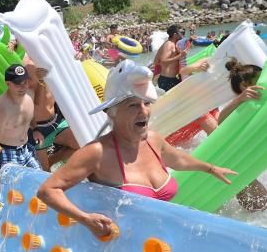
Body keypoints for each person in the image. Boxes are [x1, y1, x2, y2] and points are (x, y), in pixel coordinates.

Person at [38, 60, 237, 238]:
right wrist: (85, 219)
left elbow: (178, 159)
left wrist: (210, 168)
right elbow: (48, 190)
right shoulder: (97, 152)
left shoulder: (153, 139)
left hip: (158, 242)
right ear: (112, 113)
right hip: (117, 244)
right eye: (133, 105)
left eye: (146, 103)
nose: (143, 111)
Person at [0, 64, 42, 174]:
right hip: (8, 152)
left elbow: (30, 117)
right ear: (8, 84)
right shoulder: (2, 108)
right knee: (14, 190)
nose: (23, 87)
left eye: (25, 82)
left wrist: (36, 129)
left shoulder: (29, 96)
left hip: (26, 149)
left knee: (41, 182)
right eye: (18, 84)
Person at [153, 25, 186, 92]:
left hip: (170, 79)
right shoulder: (169, 44)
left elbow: (156, 61)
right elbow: (163, 61)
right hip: (167, 80)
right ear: (174, 34)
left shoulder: (173, 44)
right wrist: (179, 56)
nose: (183, 34)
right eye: (181, 32)